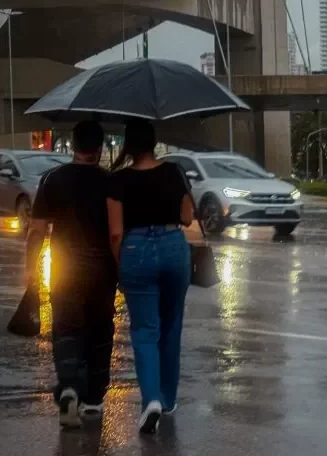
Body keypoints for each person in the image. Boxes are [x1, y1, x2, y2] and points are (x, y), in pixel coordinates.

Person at [25, 121, 116, 429]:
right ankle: (93, 399)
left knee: (66, 329)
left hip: (64, 268)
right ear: (100, 148)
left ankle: (68, 389)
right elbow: (119, 232)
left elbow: (36, 231)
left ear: (73, 145)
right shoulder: (111, 183)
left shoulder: (53, 179)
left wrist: (30, 271)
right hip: (103, 270)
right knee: (100, 331)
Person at [106, 119, 193, 435]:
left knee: (145, 331)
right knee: (171, 327)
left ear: (128, 146)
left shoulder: (118, 181)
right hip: (173, 247)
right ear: (155, 143)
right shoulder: (173, 172)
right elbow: (186, 217)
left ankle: (151, 399)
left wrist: (122, 265)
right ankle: (168, 400)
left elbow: (115, 233)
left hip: (136, 249)